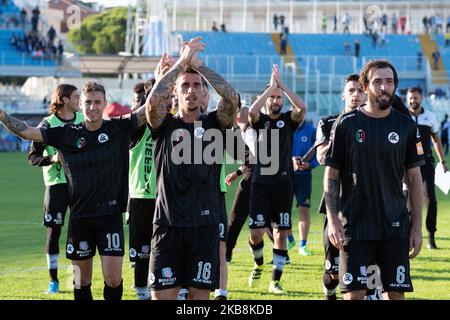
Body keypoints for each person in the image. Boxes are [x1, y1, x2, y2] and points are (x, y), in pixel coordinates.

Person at [0, 81, 149, 300]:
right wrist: (3, 116)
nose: (92, 107)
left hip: (110, 218)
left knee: (114, 279)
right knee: (81, 281)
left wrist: (164, 76)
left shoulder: (118, 128)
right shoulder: (66, 133)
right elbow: (28, 133)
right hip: (80, 220)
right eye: (88, 102)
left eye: (97, 102)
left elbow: (149, 108)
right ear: (80, 104)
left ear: (105, 104)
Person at [145, 37, 239, 300]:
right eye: (185, 85)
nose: (191, 90)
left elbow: (231, 97)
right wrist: (181, 66)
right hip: (167, 225)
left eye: (196, 85)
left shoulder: (215, 123)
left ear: (204, 91)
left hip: (203, 227)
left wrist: (199, 66)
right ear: (175, 91)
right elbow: (152, 104)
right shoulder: (165, 125)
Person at [324, 60, 424, 300]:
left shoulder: (406, 126)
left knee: (395, 296)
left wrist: (417, 226)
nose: (384, 87)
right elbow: (331, 174)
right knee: (354, 295)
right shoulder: (347, 124)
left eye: (389, 82)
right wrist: (332, 219)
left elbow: (414, 179)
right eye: (377, 81)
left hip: (395, 226)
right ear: (365, 86)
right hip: (356, 226)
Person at [247, 64, 306, 295]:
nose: (275, 100)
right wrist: (270, 87)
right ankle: (259, 263)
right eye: (272, 97)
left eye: (277, 97)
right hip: (260, 184)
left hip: (283, 184)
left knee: (281, 232)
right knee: (256, 233)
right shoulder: (260, 120)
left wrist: (283, 86)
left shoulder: (287, 120)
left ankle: (275, 281)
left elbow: (301, 107)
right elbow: (251, 112)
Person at [27, 84, 83, 294]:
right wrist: (52, 159)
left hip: (79, 186)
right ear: (65, 99)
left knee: (79, 235)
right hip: (56, 187)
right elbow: (32, 157)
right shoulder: (47, 124)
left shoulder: (82, 120)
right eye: (77, 96)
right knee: (53, 235)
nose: (80, 100)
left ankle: (78, 281)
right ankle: (54, 281)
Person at [126, 81, 157, 300]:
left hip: (167, 196)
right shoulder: (135, 127)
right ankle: (141, 295)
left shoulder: (170, 123)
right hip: (140, 196)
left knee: (168, 250)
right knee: (142, 253)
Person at [407, 87, 448, 249]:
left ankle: (431, 237)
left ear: (421, 98)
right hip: (406, 166)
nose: (412, 101)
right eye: (410, 98)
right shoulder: (402, 116)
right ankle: (407, 236)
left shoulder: (430, 117)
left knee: (431, 200)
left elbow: (436, 139)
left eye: (415, 98)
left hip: (425, 164)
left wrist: (442, 161)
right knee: (406, 202)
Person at [291, 118, 319, 257]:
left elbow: (319, 151)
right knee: (280, 210)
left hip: (304, 176)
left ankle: (303, 245)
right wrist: (290, 160)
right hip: (285, 175)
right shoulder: (285, 127)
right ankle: (289, 238)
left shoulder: (311, 131)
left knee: (304, 209)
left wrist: (310, 164)